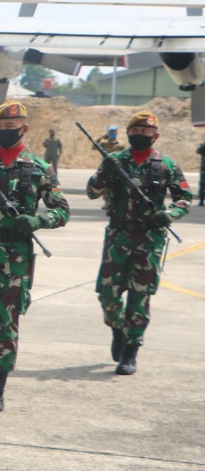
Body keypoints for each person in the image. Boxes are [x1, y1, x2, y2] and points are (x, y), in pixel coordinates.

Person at [0, 101, 69, 414]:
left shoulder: (38, 168)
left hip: (15, 255)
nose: (7, 132)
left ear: (24, 129)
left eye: (13, 128)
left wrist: (39, 221)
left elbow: (61, 210)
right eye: (1, 128)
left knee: (7, 321)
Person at [86, 111, 190, 376]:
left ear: (155, 136)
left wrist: (171, 213)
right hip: (118, 237)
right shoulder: (115, 161)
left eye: (146, 133)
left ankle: (132, 348)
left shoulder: (165, 164)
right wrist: (103, 174)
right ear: (128, 134)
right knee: (107, 294)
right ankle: (117, 328)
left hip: (149, 239)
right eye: (135, 132)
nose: (140, 136)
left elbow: (183, 196)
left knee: (139, 295)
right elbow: (91, 192)